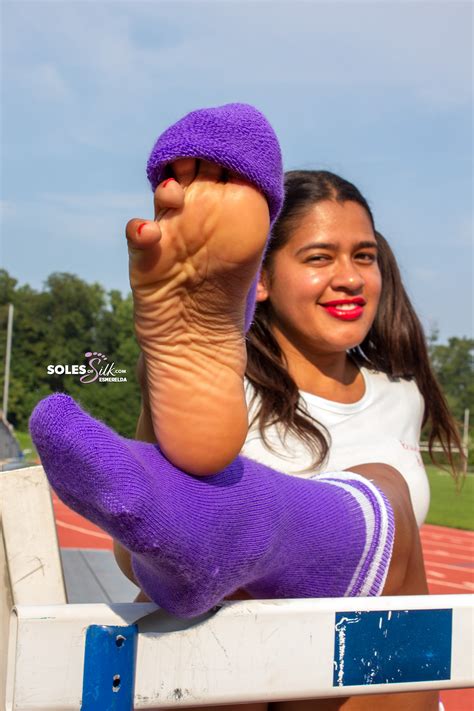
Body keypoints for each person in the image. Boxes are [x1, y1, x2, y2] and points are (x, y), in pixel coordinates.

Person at [30, 104, 461, 711]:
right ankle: (230, 537)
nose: (350, 277)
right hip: (236, 675)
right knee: (228, 583)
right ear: (258, 277)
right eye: (319, 257)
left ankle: (235, 531)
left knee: (379, 496)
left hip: (370, 680)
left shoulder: (403, 396)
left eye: (364, 256)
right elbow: (132, 551)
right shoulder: (229, 393)